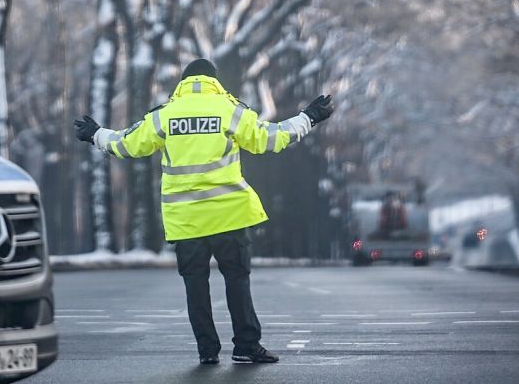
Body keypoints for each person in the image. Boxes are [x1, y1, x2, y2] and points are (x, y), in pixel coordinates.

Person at [73, 58, 334, 365]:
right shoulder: (230, 110)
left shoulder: (165, 115)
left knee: (195, 286)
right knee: (237, 280)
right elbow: (270, 138)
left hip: (185, 221)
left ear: (183, 82)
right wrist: (308, 117)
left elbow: (128, 143)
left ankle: (207, 351)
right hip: (229, 215)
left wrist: (95, 134)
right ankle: (246, 346)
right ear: (214, 81)